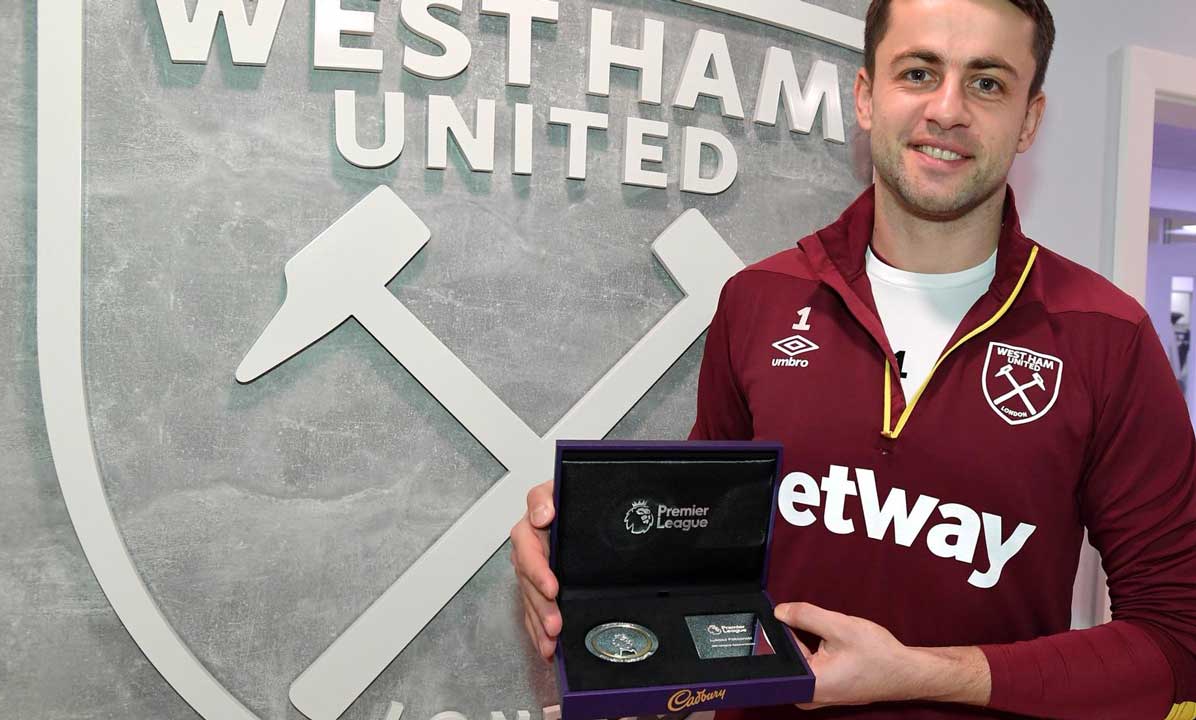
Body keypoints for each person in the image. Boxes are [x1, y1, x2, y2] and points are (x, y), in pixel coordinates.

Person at [510, 0, 1196, 717]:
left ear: (1029, 119)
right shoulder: (760, 300)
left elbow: (1179, 643)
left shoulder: (1106, 336)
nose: (948, 109)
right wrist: (574, 550)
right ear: (867, 97)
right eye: (919, 72)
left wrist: (925, 673)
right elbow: (698, 551)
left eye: (988, 82)